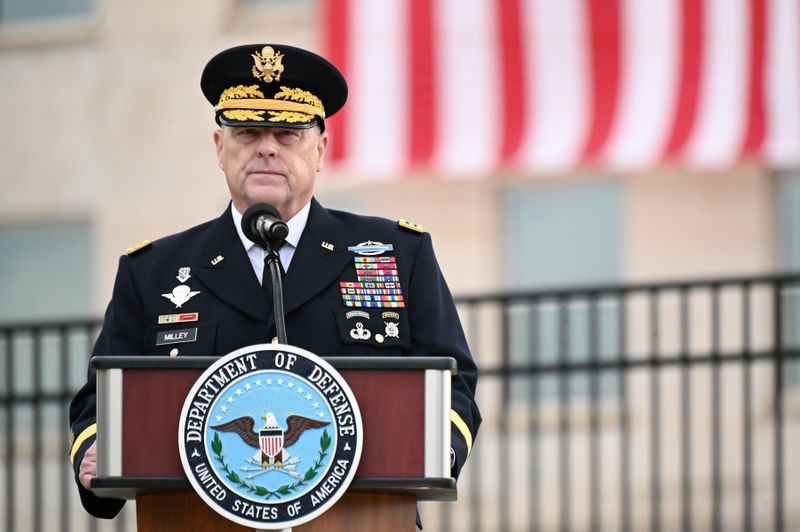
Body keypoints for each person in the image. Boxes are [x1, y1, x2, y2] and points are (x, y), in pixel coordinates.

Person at [68, 43, 481, 519]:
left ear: (321, 150)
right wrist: (95, 453)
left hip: (361, 521)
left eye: (287, 134)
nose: (266, 147)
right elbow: (102, 402)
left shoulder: (396, 253)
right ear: (220, 149)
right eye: (247, 132)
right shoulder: (153, 270)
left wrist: (437, 450)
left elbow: (454, 382)